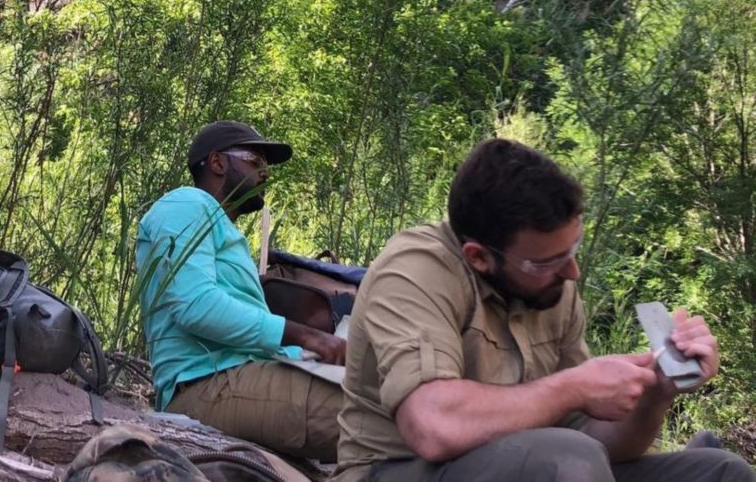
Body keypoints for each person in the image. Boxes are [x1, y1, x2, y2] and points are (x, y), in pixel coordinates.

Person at [334, 137, 753, 482]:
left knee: (721, 473)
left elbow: (601, 443)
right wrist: (573, 386)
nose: (571, 271)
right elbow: (433, 427)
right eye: (548, 262)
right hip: (398, 471)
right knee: (566, 460)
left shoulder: (551, 285)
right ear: (479, 257)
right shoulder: (414, 271)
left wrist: (657, 393)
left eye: (571, 249)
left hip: (537, 465)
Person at [136, 120, 345, 461]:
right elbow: (195, 305)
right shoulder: (186, 204)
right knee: (384, 417)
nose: (265, 173)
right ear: (217, 163)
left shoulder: (220, 227)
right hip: (206, 384)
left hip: (238, 376)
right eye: (255, 160)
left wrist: (308, 356)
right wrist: (307, 337)